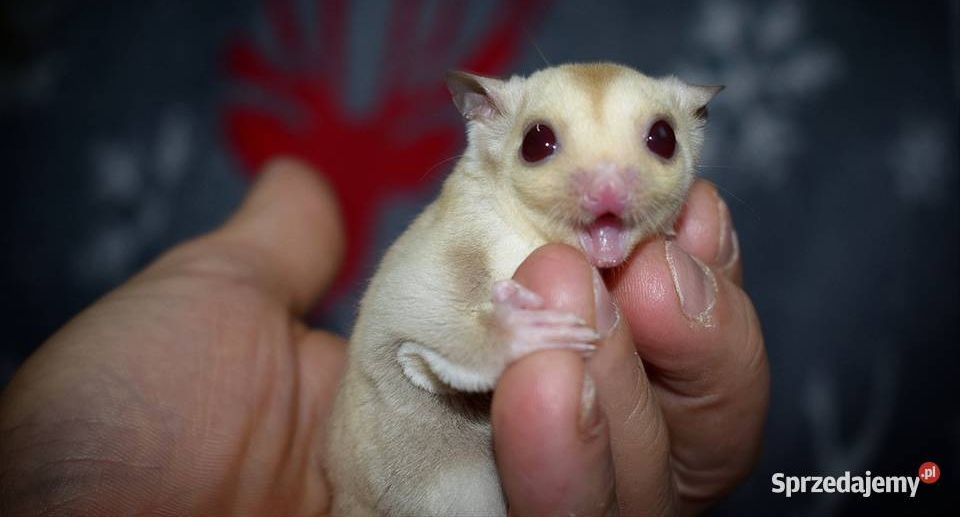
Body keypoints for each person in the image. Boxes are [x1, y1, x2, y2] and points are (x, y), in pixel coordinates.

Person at [0, 159, 768, 516]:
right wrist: (488, 339)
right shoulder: (470, 221)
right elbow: (417, 323)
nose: (607, 185)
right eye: (543, 144)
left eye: (658, 141)